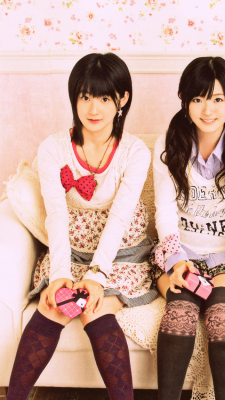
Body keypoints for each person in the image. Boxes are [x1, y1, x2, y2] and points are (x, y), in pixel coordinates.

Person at [6, 53, 156, 400]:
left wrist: (97, 276)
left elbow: (119, 218)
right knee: (52, 306)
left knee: (94, 309)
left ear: (122, 99)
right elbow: (56, 215)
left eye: (104, 98)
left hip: (120, 254)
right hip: (70, 252)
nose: (93, 108)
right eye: (85, 96)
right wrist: (60, 274)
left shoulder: (135, 151)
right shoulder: (53, 147)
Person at [150, 56, 225, 400]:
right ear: (185, 100)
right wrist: (175, 261)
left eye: (218, 99)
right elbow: (164, 209)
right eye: (198, 98)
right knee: (180, 310)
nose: (208, 110)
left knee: (222, 313)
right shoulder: (167, 143)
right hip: (180, 254)